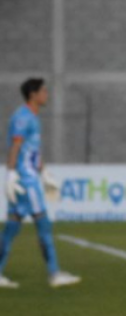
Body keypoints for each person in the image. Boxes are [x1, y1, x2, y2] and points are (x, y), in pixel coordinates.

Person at [1, 78, 80, 289]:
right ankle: (54, 274)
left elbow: (31, 151)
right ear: (33, 94)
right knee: (43, 224)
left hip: (28, 177)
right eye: (43, 91)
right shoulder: (23, 117)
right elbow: (15, 147)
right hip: (25, 181)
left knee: (11, 227)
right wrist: (10, 174)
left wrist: (43, 171)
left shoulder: (33, 117)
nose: (47, 94)